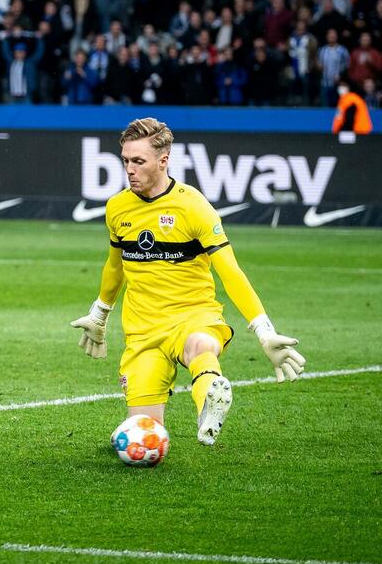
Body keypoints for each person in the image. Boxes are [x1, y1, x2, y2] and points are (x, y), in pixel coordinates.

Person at [69, 118, 306, 447]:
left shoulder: (193, 206)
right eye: (125, 161)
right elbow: (115, 265)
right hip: (143, 331)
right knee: (144, 438)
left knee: (200, 346)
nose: (130, 170)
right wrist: (99, 314)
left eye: (138, 161)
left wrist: (264, 331)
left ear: (163, 160)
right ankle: (182, 405)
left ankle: (210, 398)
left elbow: (230, 271)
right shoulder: (117, 207)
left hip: (192, 316)